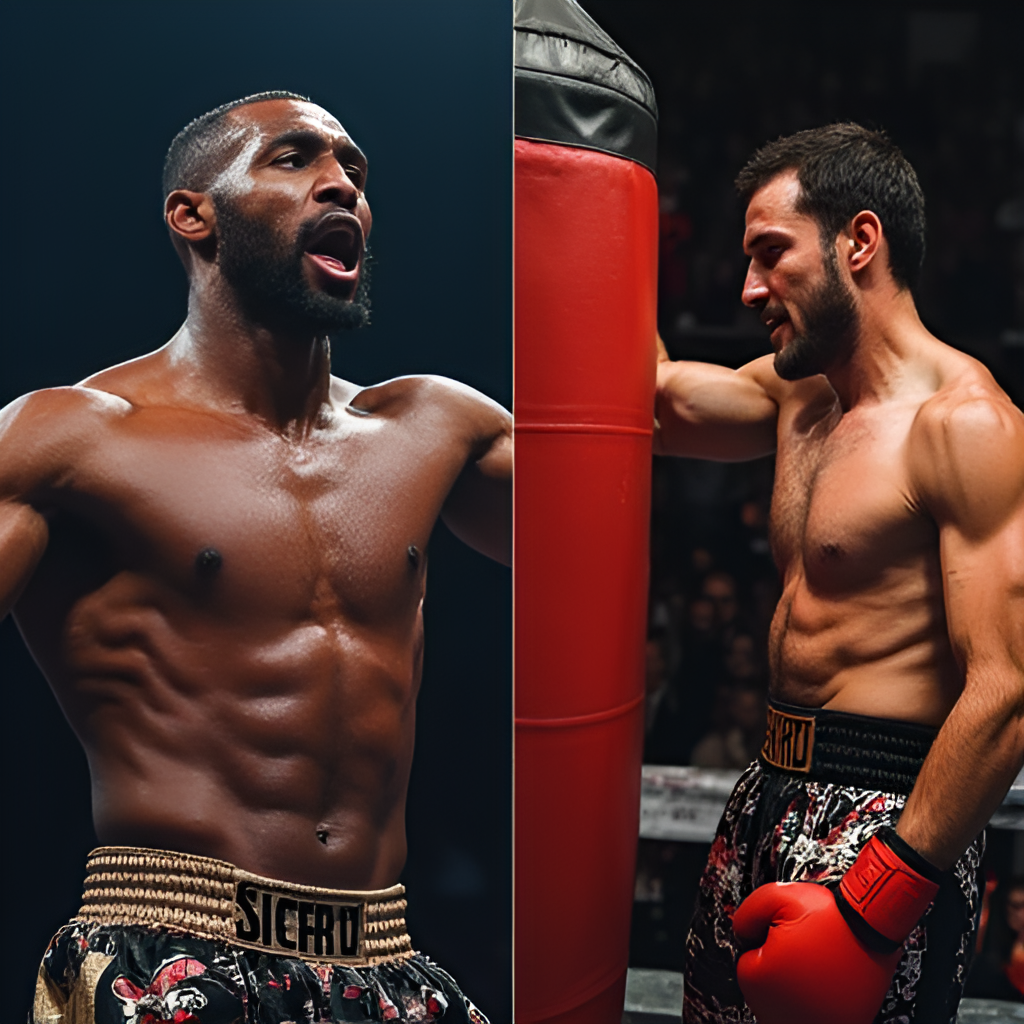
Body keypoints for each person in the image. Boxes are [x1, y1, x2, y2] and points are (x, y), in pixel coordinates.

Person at [3, 92, 509, 1024]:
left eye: (356, 170)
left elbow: (619, 494)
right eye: (293, 158)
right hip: (167, 951)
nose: (343, 185)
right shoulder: (70, 438)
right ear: (194, 215)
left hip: (385, 959)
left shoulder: (434, 427)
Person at [654, 123, 1024, 1023]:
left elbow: (1007, 688)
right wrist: (585, 205)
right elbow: (656, 399)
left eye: (771, 254)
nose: (748, 289)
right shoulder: (799, 396)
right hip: (767, 787)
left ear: (860, 242)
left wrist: (876, 903)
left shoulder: (964, 425)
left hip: (889, 815)